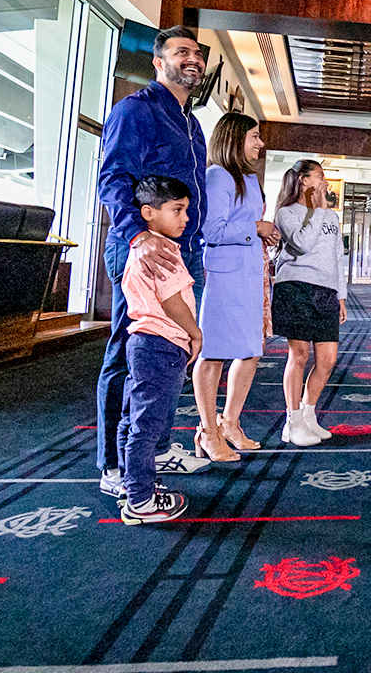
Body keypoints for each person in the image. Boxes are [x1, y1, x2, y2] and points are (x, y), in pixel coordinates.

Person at [95, 25, 211, 497]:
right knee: (130, 358)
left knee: (169, 357)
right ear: (158, 62)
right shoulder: (137, 111)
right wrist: (138, 234)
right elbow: (113, 178)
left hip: (185, 252)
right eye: (183, 52)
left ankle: (156, 448)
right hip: (143, 249)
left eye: (199, 54)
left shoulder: (191, 123)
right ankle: (115, 465)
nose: (195, 60)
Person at [116, 175, 202, 524]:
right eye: (177, 210)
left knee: (134, 419)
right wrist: (195, 333)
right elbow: (171, 301)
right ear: (148, 212)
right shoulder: (161, 250)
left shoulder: (145, 245)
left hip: (144, 341)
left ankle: (131, 483)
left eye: (186, 210)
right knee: (148, 425)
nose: (185, 218)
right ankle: (140, 501)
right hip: (162, 342)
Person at [192, 111, 277, 460]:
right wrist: (254, 229)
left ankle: (230, 422)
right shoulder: (217, 177)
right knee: (213, 354)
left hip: (252, 274)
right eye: (254, 136)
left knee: (251, 350)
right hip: (226, 278)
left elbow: (249, 223)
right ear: (234, 138)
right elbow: (210, 232)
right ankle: (208, 432)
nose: (260, 143)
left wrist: (262, 234)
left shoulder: (248, 179)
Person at [272, 158, 347, 446]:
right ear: (304, 180)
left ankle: (308, 414)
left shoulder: (331, 217)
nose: (325, 181)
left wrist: (341, 295)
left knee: (327, 360)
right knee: (300, 355)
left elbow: (337, 258)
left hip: (326, 291)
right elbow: (302, 243)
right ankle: (292, 421)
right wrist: (317, 210)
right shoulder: (286, 212)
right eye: (320, 176)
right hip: (296, 287)